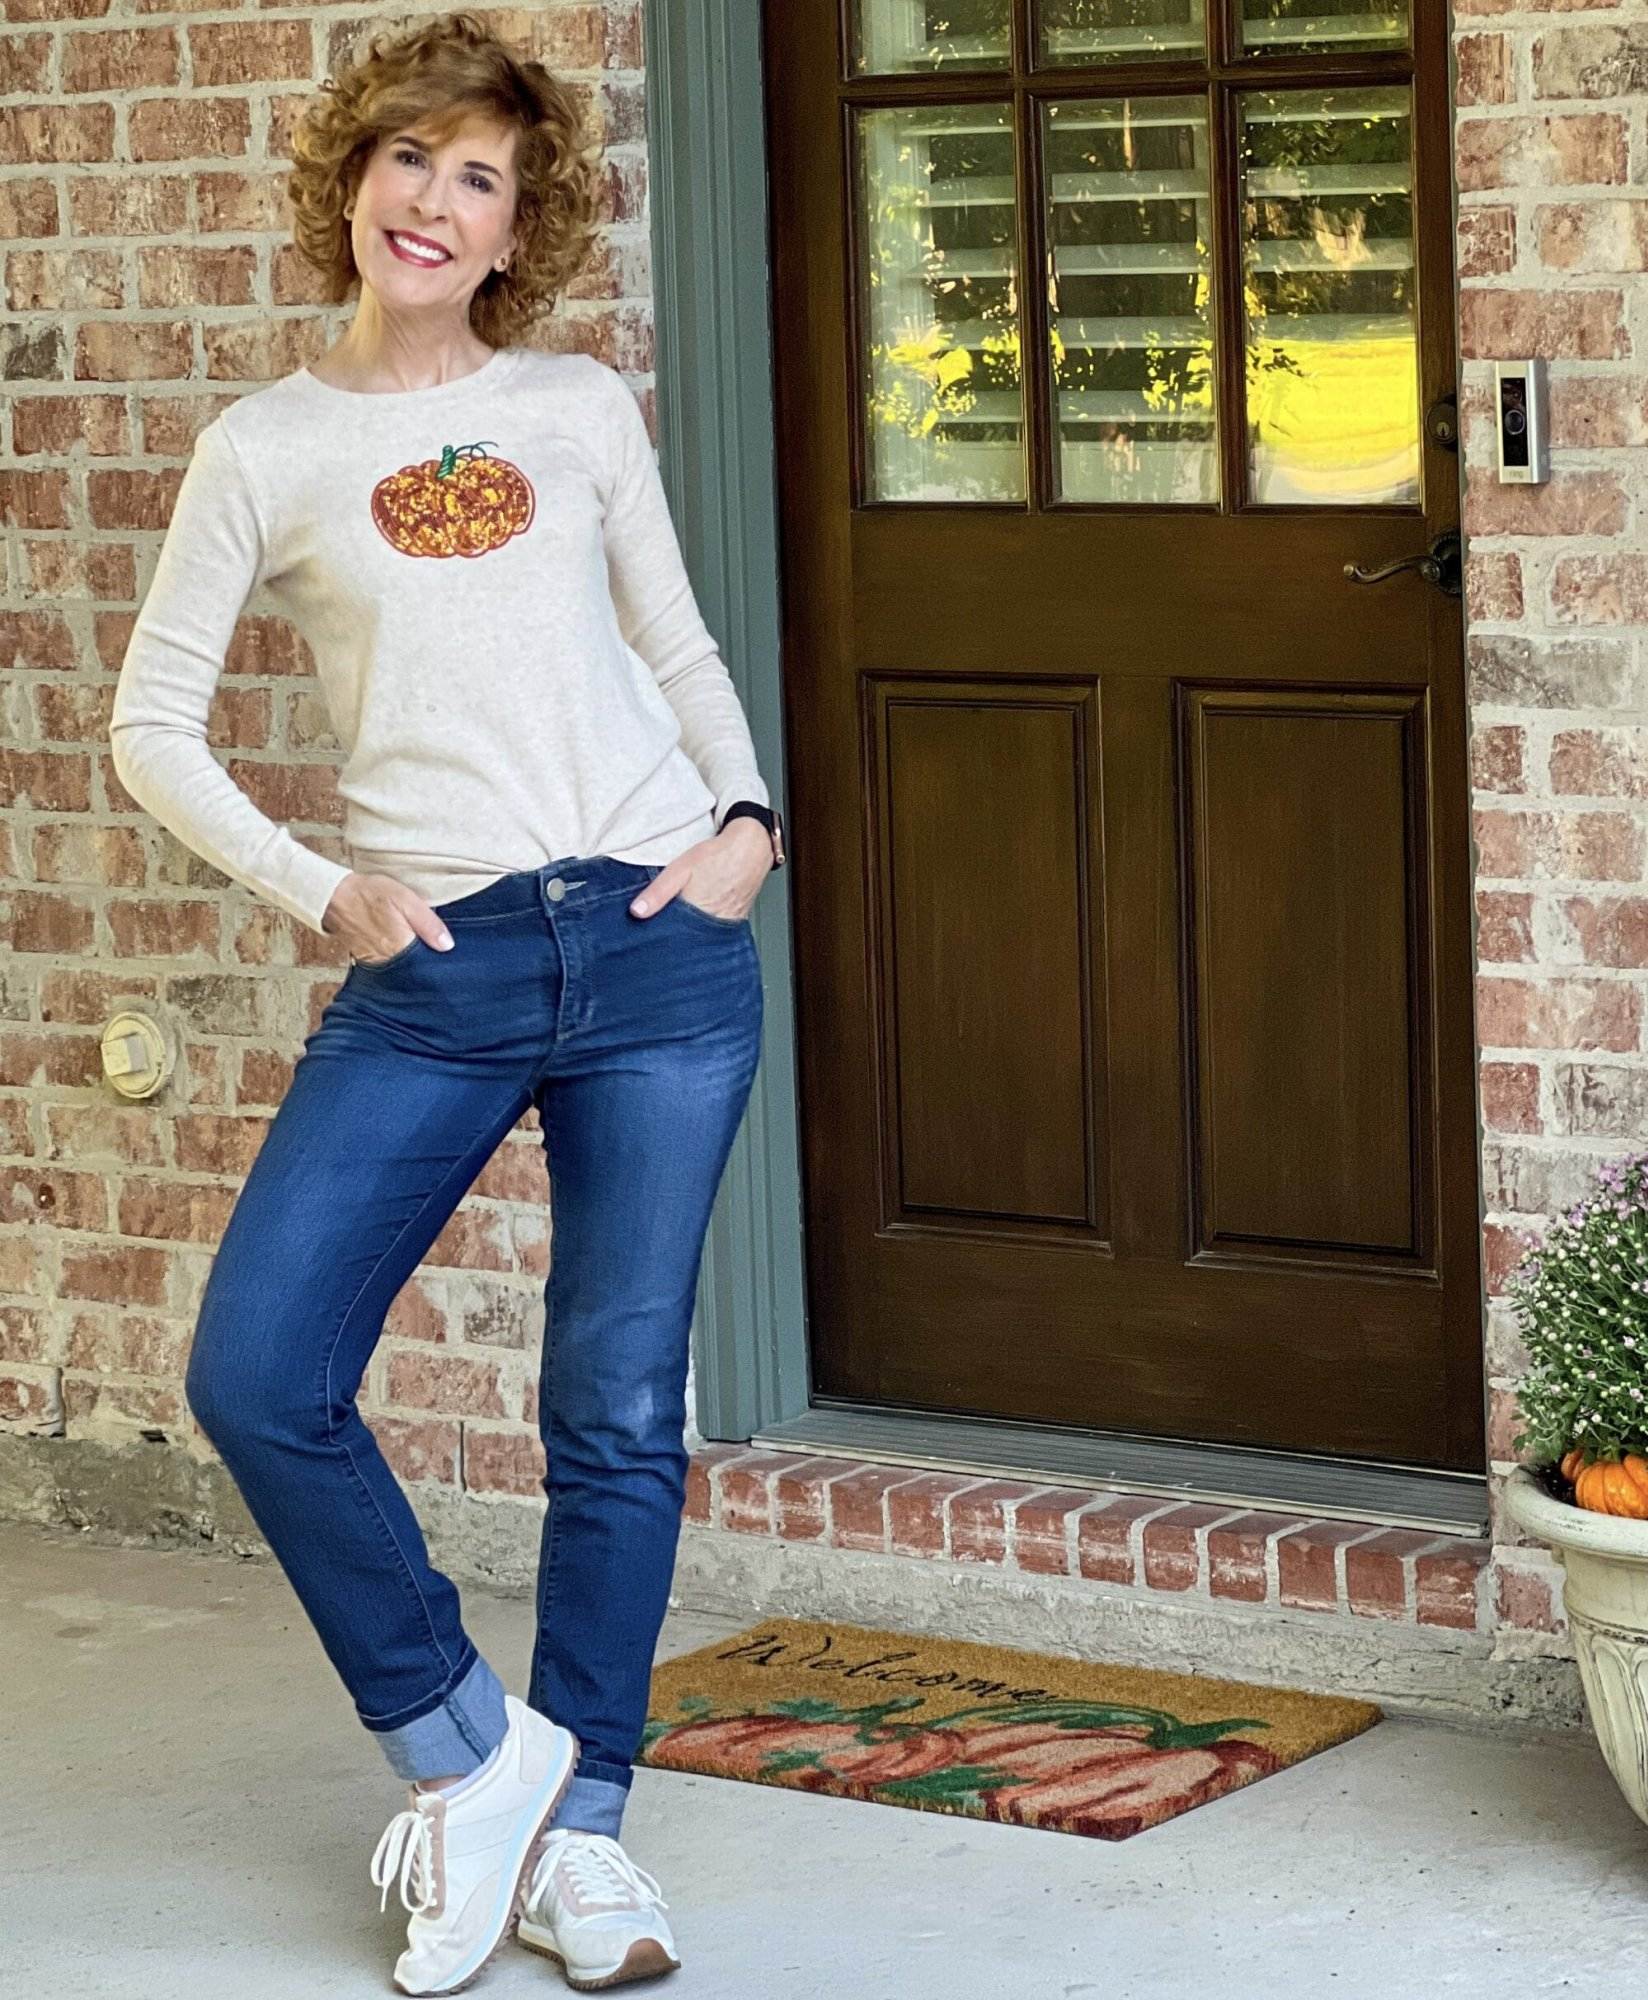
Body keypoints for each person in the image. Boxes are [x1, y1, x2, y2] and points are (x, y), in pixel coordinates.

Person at [107, 12, 785, 1995]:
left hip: (659, 948)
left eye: (476, 176)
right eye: (407, 158)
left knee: (611, 1408)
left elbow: (673, 637)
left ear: (518, 228)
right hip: (445, 958)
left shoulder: (578, 407)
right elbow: (151, 726)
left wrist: (744, 824)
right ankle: (472, 1760)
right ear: (352, 179)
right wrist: (324, 887)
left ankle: (584, 1843)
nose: (432, 198)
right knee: (259, 1371)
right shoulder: (270, 448)